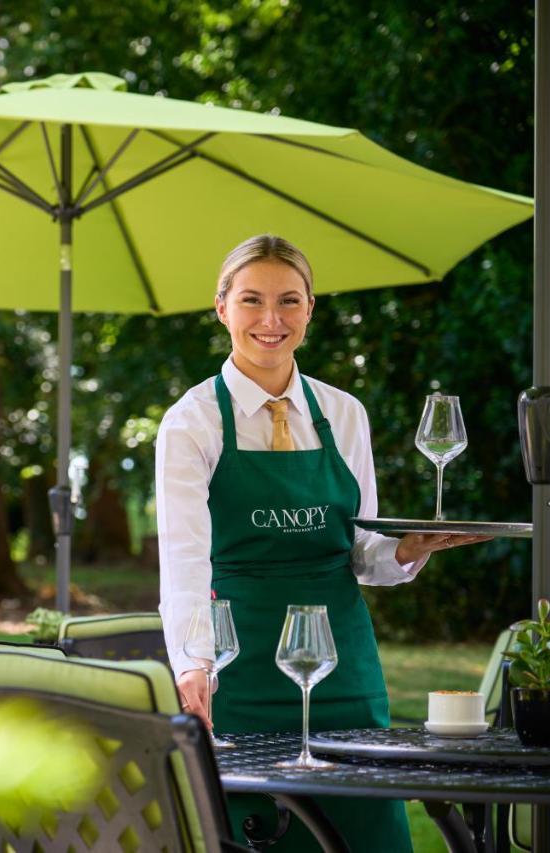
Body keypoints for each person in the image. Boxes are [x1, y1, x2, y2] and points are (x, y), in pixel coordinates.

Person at [156, 234, 489, 852]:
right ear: (222, 307)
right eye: (252, 300)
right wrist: (193, 665)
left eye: (289, 301)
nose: (271, 319)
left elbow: (363, 554)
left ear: (311, 309)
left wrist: (411, 547)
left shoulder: (344, 412)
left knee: (365, 830)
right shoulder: (192, 421)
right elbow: (182, 559)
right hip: (240, 667)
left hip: (343, 668)